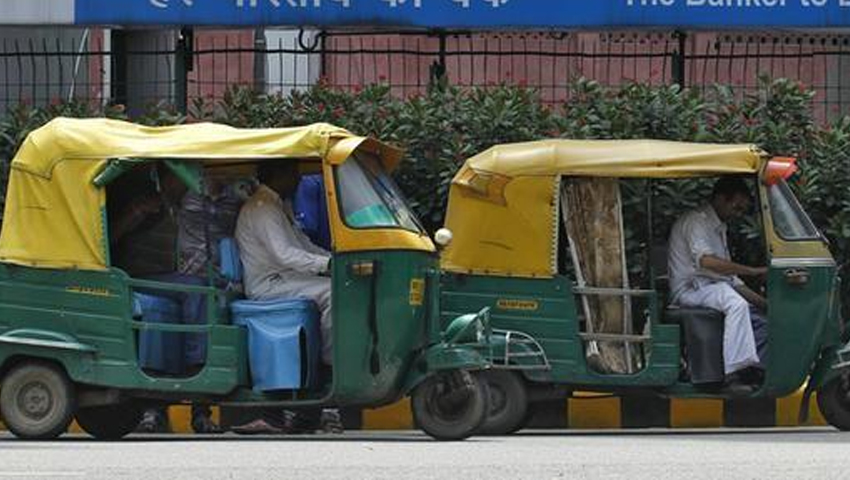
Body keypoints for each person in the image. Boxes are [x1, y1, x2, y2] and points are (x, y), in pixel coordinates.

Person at [231, 161, 342, 435]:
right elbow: (285, 255)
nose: (297, 181)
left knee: (337, 286)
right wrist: (326, 266)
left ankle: (319, 378)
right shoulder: (263, 208)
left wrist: (333, 260)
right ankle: (328, 366)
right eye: (293, 175)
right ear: (277, 175)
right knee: (333, 294)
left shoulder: (278, 205)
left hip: (284, 279)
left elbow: (302, 245)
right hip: (269, 285)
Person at [667, 177, 768, 394]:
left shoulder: (718, 227)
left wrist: (763, 304)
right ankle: (732, 375)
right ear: (721, 199)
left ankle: (754, 369)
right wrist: (752, 271)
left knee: (755, 314)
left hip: (708, 289)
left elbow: (730, 279)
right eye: (736, 206)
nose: (738, 213)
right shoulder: (697, 221)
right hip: (689, 291)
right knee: (736, 304)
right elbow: (707, 262)